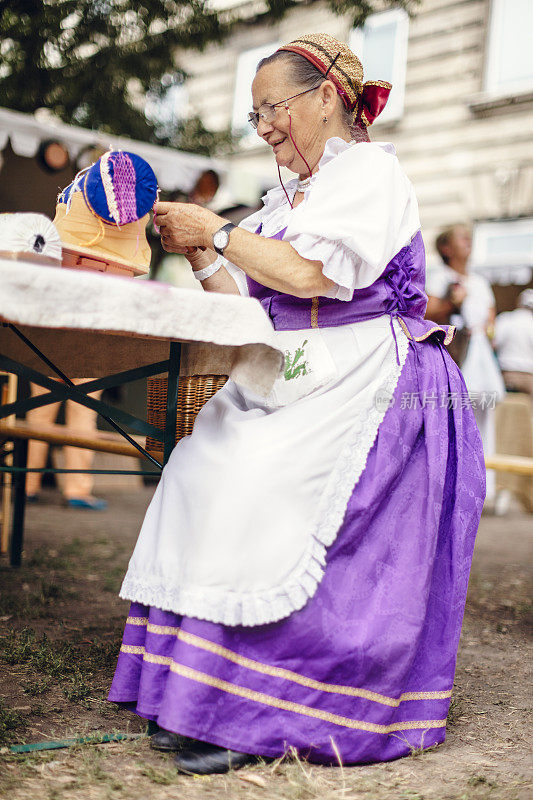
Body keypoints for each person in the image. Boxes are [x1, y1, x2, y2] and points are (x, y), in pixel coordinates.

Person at [109, 34, 485, 774]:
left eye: (271, 108)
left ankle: (254, 706)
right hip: (295, 367)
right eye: (254, 117)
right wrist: (205, 256)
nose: (265, 127)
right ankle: (197, 692)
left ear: (324, 99)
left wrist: (218, 229)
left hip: (370, 375)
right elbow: (254, 305)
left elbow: (313, 277)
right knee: (200, 465)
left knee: (258, 483)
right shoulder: (287, 201)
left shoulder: (371, 172)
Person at [426, 225, 504, 504]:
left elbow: (491, 319)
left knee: (485, 417)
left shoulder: (481, 282)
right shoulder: (439, 277)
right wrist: (451, 301)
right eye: (462, 237)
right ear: (446, 248)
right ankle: (456, 486)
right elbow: (428, 310)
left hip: (480, 353)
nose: (468, 241)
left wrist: (490, 333)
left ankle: (487, 487)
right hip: (457, 352)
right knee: (457, 416)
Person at [25, 380, 107, 510]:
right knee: (82, 420)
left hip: (48, 361)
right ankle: (77, 492)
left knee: (39, 418)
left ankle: (27, 486)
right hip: (87, 362)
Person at [494, 288, 533, 399]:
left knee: (502, 409)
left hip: (506, 373)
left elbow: (494, 343)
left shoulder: (505, 319)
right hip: (529, 374)